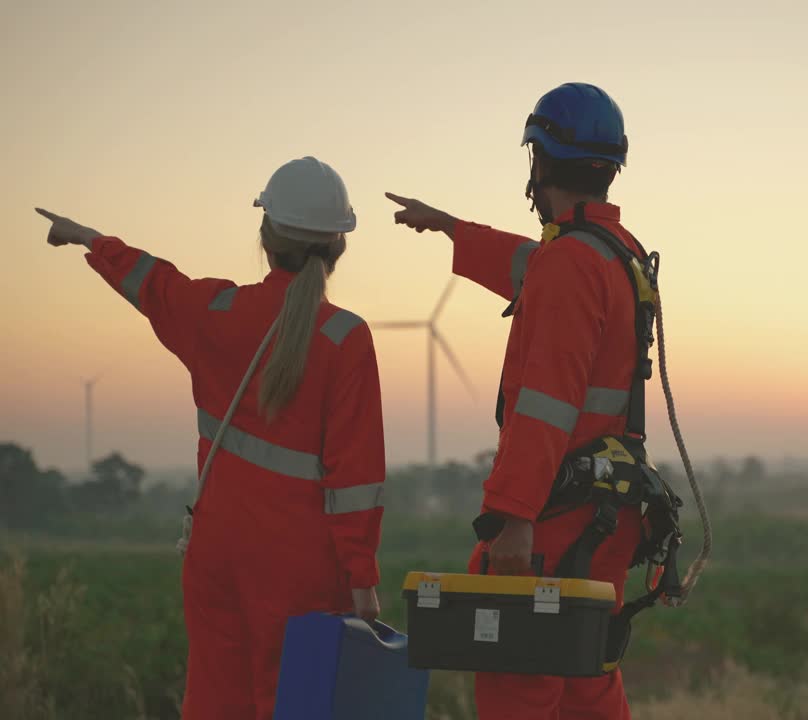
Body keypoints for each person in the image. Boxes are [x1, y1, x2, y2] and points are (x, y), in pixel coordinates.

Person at [35, 156, 386, 720]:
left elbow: (154, 282)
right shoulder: (346, 338)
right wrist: (363, 583)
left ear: (266, 236)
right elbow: (357, 481)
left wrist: (87, 238)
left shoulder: (217, 310)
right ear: (337, 246)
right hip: (302, 568)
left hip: (216, 554)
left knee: (215, 701)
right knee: (296, 705)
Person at [387, 82, 647, 720]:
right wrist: (451, 227)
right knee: (586, 679)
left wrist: (514, 515)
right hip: (607, 513)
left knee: (520, 688)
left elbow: (545, 405)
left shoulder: (570, 263)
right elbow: (535, 266)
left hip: (551, 519)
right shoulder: (618, 254)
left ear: (540, 160)